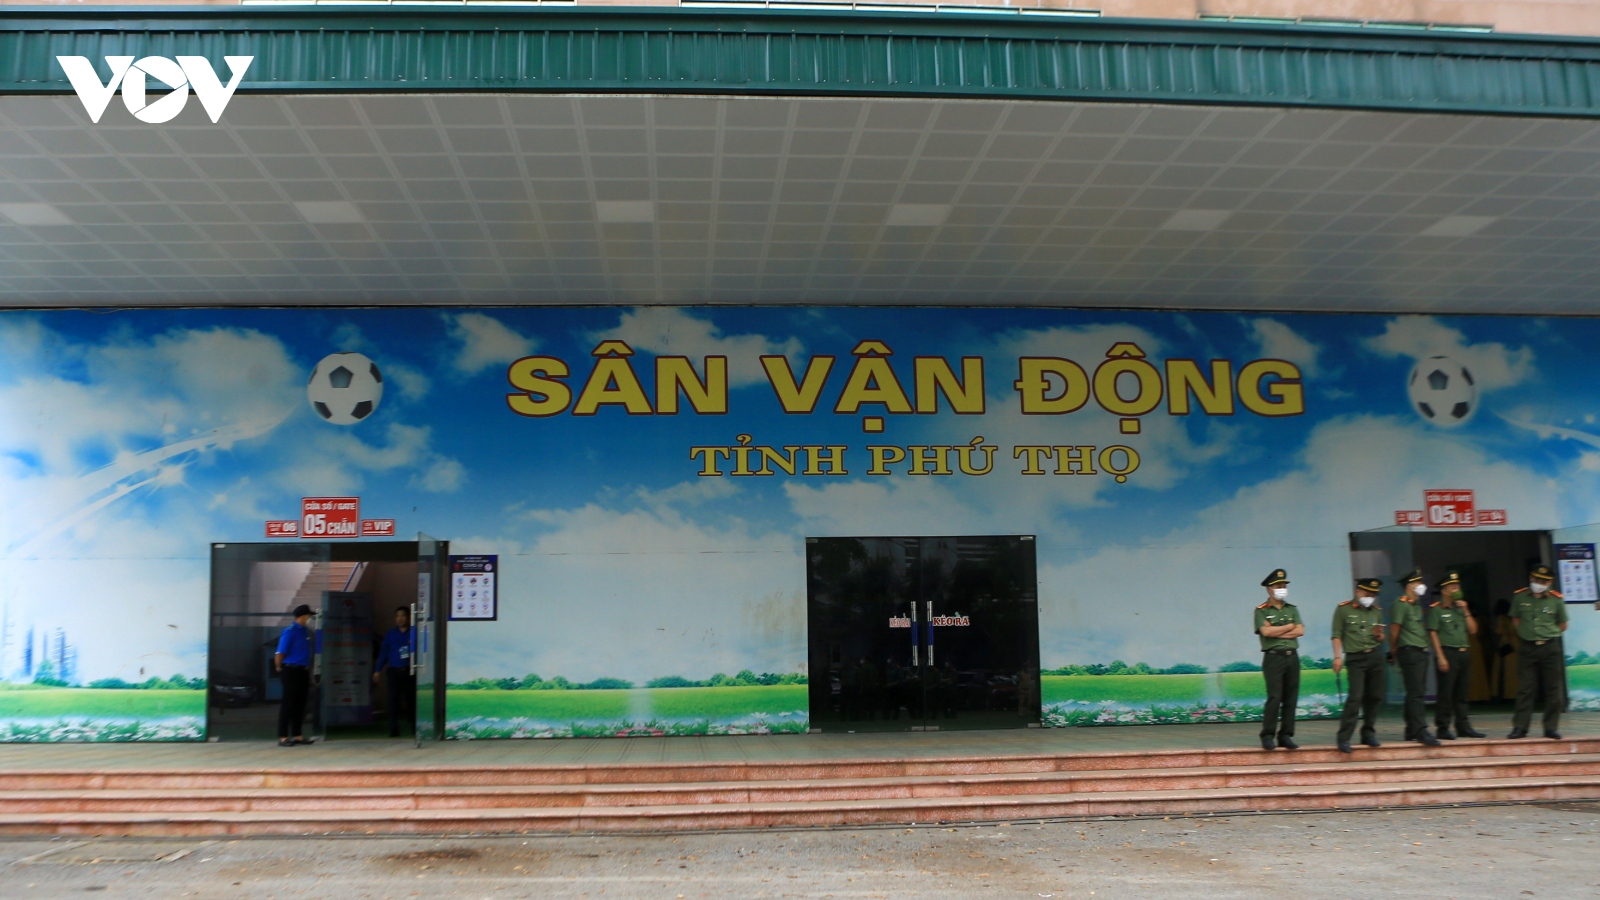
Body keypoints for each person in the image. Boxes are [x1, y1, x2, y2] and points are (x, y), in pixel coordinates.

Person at [1508, 564, 1569, 740]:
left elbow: (1562, 624)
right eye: (1537, 579)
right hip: (1528, 647)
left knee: (1553, 689)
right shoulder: (1520, 597)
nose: (1539, 583)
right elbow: (1516, 619)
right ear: (1531, 578)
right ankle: (1520, 727)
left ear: (1550, 582)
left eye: (1544, 581)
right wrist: (1526, 634)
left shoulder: (1556, 599)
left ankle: (1550, 727)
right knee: (1526, 689)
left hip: (1550, 647)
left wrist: (1547, 634)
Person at [1332, 577, 1387, 754]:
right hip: (1356, 658)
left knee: (1375, 696)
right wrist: (1337, 656)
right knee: (1356, 697)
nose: (1370, 597)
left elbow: (1381, 638)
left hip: (1375, 656)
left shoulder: (1376, 611)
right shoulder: (1343, 609)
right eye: (1367, 593)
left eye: (1373, 595)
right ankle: (1344, 737)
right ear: (1357, 591)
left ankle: (1368, 733)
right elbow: (1337, 635)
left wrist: (1379, 635)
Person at [1428, 570, 1484, 739]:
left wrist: (1466, 610)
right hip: (1448, 652)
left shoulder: (1461, 608)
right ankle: (1443, 727)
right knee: (1446, 693)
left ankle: (1463, 726)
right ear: (1444, 590)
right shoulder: (1436, 609)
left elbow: (1473, 630)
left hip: (1463, 652)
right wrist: (1440, 657)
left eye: (1457, 586)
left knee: (1462, 693)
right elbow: (1433, 633)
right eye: (1452, 586)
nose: (1456, 589)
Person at [1254, 568, 1305, 751]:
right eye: (1278, 586)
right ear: (1269, 589)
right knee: (1275, 697)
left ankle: (1286, 735)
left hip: (1292, 656)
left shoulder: (1292, 609)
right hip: (1273, 657)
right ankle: (1268, 736)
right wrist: (1289, 627)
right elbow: (1266, 632)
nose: (1282, 589)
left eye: (1284, 585)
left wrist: (1278, 631)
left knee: (1291, 698)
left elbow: (1300, 631)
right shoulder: (1261, 611)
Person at [1389, 569, 1439, 746]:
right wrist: (1393, 649)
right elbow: (1394, 629)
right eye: (1418, 583)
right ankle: (1420, 730)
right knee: (1416, 693)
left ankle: (1411, 728)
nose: (1421, 586)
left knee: (1416, 692)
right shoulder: (1401, 604)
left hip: (1420, 652)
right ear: (1409, 586)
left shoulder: (1416, 604)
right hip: (1409, 651)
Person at [274, 603, 316, 747]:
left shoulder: (304, 632)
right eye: (309, 616)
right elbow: (280, 654)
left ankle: (297, 735)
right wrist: (280, 669)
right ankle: (283, 737)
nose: (310, 618)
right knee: (288, 704)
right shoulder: (290, 631)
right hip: (291, 671)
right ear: (303, 616)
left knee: (300, 703)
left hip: (303, 671)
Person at [372, 605, 414, 737]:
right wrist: (377, 670)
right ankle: (393, 728)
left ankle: (414, 726)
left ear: (409, 617)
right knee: (393, 700)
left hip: (410, 671)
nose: (400, 619)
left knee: (411, 700)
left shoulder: (415, 632)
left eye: (403, 616)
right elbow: (384, 653)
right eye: (397, 616)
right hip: (394, 671)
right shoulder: (391, 634)